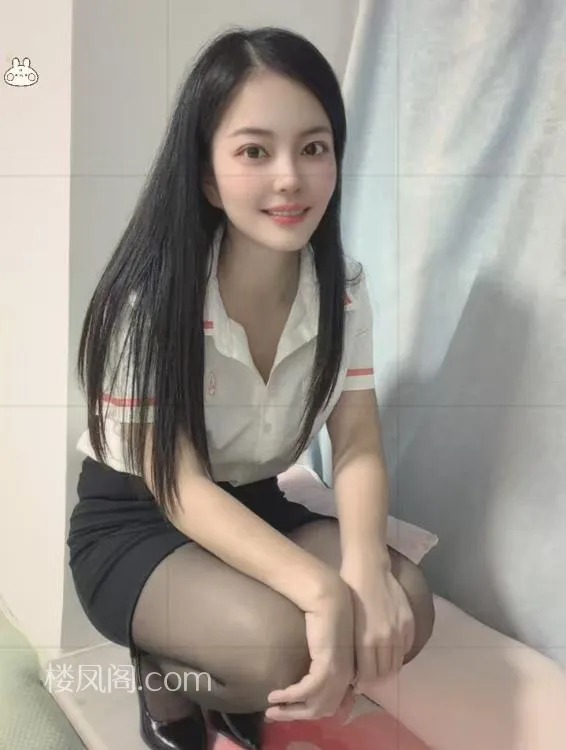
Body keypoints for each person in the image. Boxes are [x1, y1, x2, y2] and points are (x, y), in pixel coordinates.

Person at [67, 25, 435, 750]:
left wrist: (364, 569)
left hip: (252, 500)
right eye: (254, 151)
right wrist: (321, 591)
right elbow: (178, 486)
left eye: (314, 148)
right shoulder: (148, 302)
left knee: (405, 606)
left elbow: (356, 439)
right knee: (280, 648)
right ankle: (165, 675)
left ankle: (233, 682)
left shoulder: (342, 289)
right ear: (207, 174)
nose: (290, 178)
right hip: (139, 518)